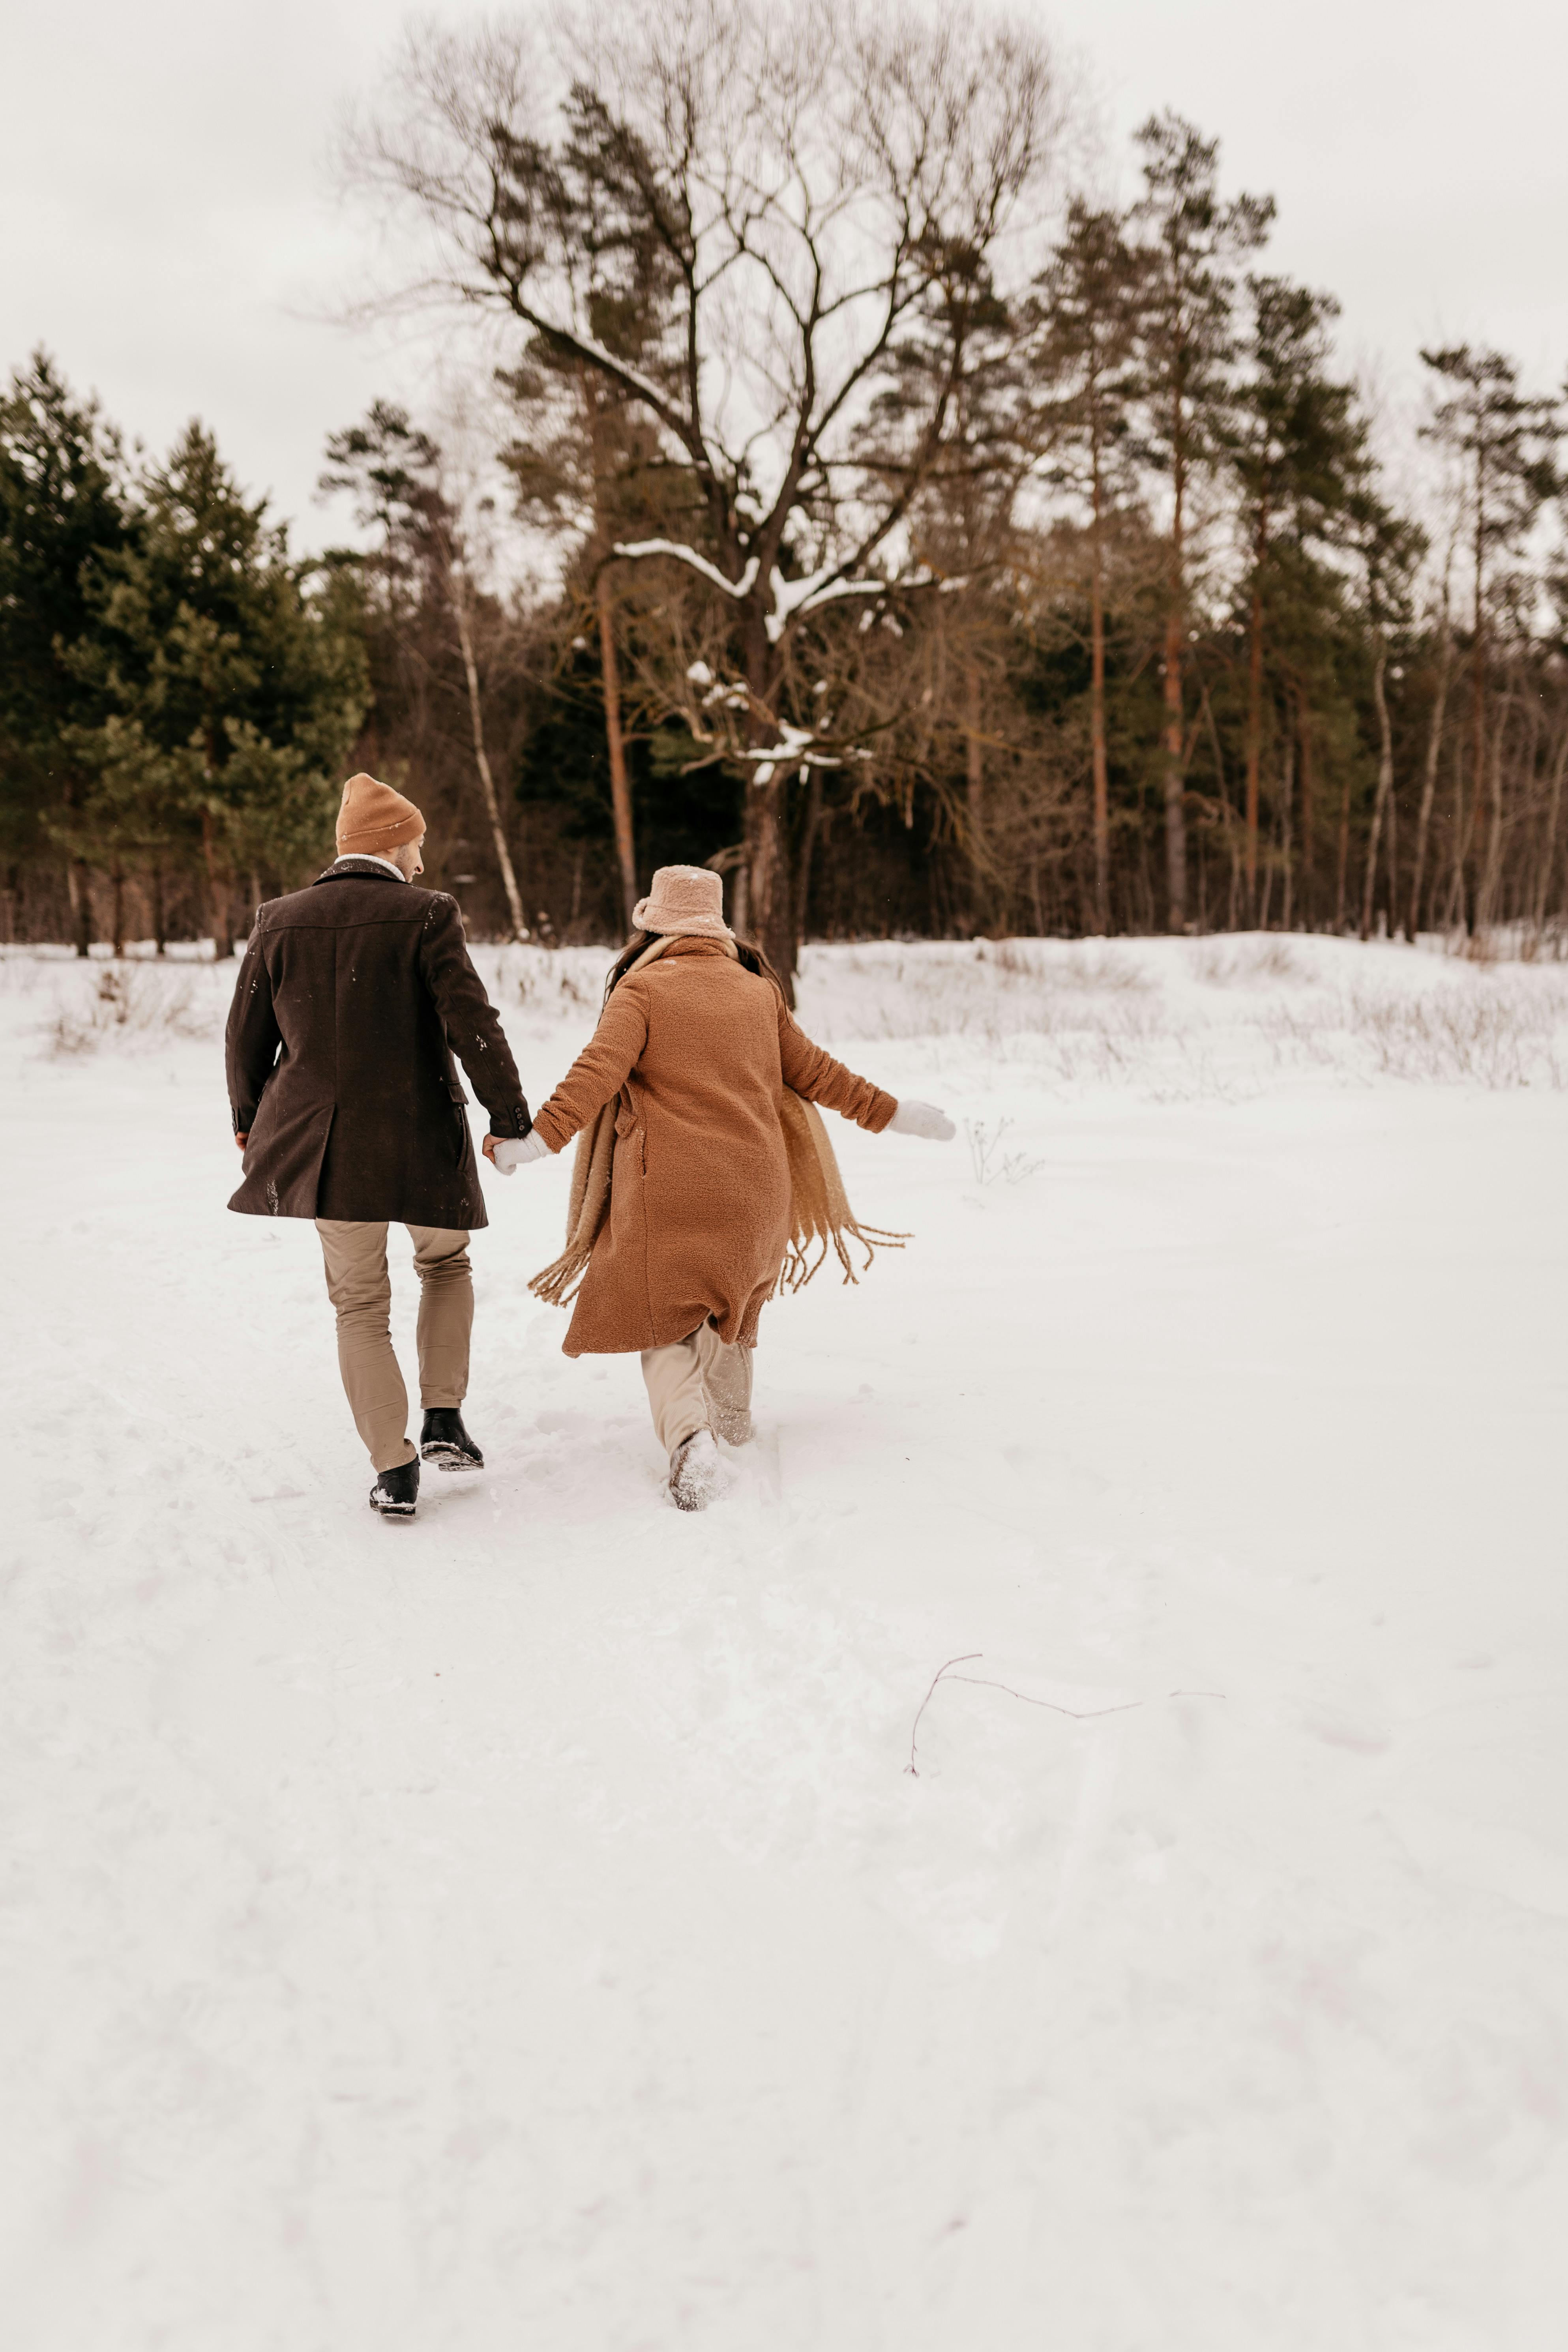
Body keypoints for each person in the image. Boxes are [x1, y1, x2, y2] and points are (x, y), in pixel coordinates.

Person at [496, 864, 954, 1510]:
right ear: (717, 928)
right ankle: (733, 1427)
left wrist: (536, 1141)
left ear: (653, 924)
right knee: (732, 1313)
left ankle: (690, 1441)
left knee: (663, 1323)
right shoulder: (757, 994)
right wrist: (895, 1113)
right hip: (758, 1190)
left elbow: (594, 1075)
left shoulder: (643, 990)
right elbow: (822, 1076)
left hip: (669, 1190)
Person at [225, 772, 532, 1519]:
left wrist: (248, 1117)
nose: (423, 859)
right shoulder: (426, 913)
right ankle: (443, 1417)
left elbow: (244, 1038)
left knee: (358, 1306)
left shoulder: (278, 919)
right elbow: (473, 1023)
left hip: (327, 1150)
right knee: (445, 1262)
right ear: (391, 842)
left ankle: (393, 1470)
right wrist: (510, 1117)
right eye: (418, 842)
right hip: (421, 1133)